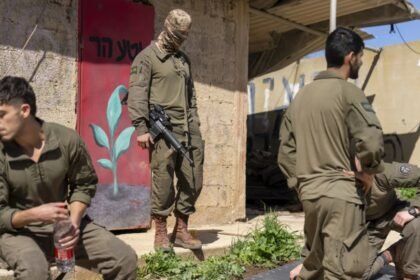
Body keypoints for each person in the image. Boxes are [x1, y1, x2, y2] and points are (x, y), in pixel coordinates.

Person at [0, 76, 138, 280]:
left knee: (123, 259)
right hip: (17, 232)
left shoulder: (66, 140)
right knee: (34, 271)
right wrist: (33, 215)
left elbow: (84, 184)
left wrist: (73, 223)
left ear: (25, 111)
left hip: (62, 226)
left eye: (2, 114)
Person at [278, 27, 385, 279]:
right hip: (341, 196)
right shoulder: (349, 92)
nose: (360, 61)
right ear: (350, 57)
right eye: (360, 57)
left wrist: (301, 182)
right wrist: (368, 173)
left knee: (315, 267)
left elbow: (285, 151)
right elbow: (371, 141)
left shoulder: (299, 98)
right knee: (344, 270)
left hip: (310, 196)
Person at [127, 9, 204, 251]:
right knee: (163, 181)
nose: (181, 39)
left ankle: (181, 229)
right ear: (168, 28)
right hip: (163, 130)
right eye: (178, 34)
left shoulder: (183, 60)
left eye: (185, 35)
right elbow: (137, 93)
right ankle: (160, 232)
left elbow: (191, 97)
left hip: (188, 130)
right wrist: (141, 127)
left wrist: (195, 122)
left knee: (194, 179)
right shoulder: (147, 57)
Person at [289, 162, 420, 280]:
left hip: (392, 212)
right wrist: (309, 265)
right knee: (354, 275)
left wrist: (414, 210)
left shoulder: (381, 172)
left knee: (416, 224)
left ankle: (409, 274)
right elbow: (319, 224)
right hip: (366, 227)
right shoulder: (331, 187)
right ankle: (394, 252)